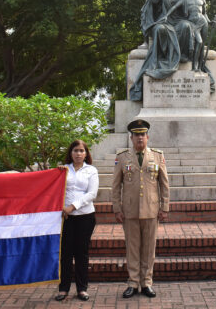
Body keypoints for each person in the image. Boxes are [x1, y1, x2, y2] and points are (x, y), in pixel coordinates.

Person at [111, 119, 169, 298]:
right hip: (130, 210)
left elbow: (164, 183)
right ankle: (133, 282)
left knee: (149, 249)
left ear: (147, 137)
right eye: (136, 135)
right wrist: (117, 208)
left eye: (142, 135)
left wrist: (164, 207)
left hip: (151, 210)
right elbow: (115, 185)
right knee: (133, 248)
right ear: (131, 138)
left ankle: (147, 282)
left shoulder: (157, 156)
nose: (140, 138)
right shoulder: (122, 157)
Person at [55, 140, 99, 302]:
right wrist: (57, 174)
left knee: (81, 254)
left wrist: (72, 206)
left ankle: (82, 288)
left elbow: (92, 194)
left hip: (85, 217)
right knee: (65, 254)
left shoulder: (91, 170)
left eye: (81, 151)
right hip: (66, 218)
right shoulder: (64, 170)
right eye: (75, 150)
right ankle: (64, 288)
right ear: (71, 153)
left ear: (86, 153)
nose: (78, 154)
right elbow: (55, 189)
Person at [162, 0, 210, 72]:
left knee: (202, 44)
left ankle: (199, 67)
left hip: (203, 22)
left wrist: (210, 21)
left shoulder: (202, 0)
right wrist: (166, 15)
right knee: (199, 42)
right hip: (193, 23)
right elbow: (174, 7)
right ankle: (194, 66)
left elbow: (204, 13)